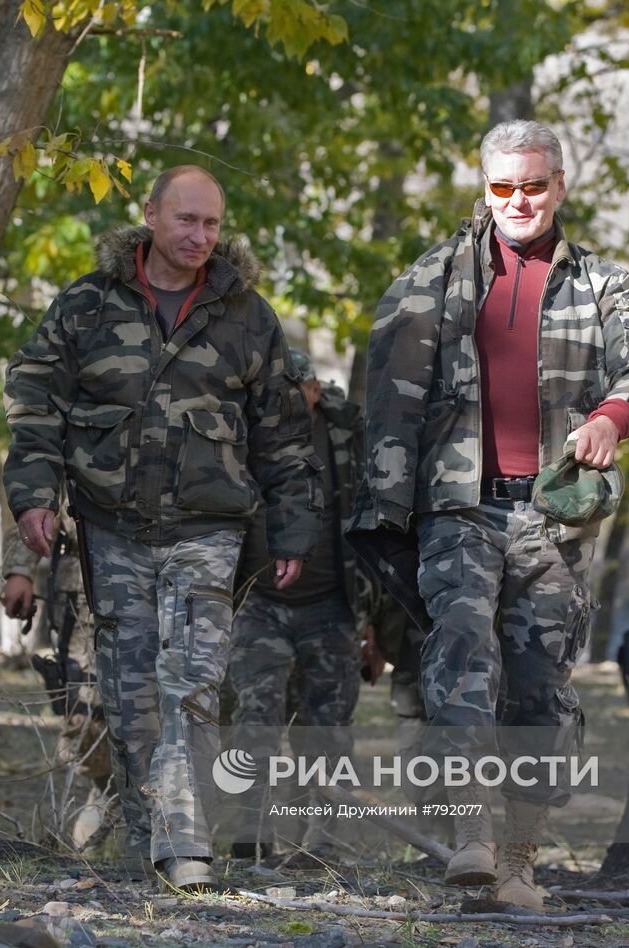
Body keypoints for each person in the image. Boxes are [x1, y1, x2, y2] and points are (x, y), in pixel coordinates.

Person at [349, 120, 629, 912]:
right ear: (482, 188)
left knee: (538, 688)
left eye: (533, 185)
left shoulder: (601, 284)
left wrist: (611, 418)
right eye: (501, 186)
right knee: (459, 655)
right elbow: (382, 401)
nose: (517, 200)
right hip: (458, 507)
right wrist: (384, 516)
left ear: (560, 185)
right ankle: (470, 836)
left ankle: (522, 860)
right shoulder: (432, 280)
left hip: (556, 514)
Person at [3, 165, 318, 890]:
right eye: (186, 221)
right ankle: (148, 847)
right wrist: (32, 496)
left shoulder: (246, 314)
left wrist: (293, 533)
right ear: (150, 215)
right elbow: (35, 402)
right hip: (112, 527)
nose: (201, 236)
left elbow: (283, 435)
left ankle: (186, 848)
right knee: (130, 691)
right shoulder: (87, 304)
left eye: (212, 223)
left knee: (194, 684)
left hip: (209, 530)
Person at [223, 350, 373, 862]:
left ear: (314, 390)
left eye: (295, 390)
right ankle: (251, 834)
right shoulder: (243, 435)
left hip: (333, 606)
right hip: (258, 601)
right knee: (254, 717)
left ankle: (324, 843)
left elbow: (377, 526)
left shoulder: (349, 435)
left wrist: (373, 620)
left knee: (328, 728)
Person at [0, 498, 117, 850]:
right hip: (82, 600)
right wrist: (20, 569)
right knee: (85, 720)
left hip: (162, 579)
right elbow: (36, 499)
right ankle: (107, 792)